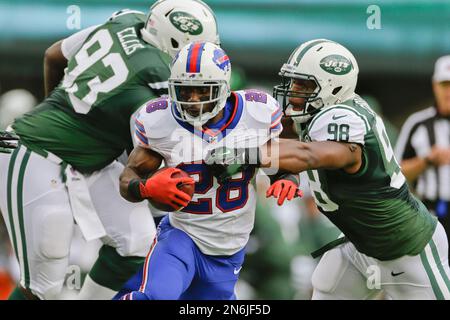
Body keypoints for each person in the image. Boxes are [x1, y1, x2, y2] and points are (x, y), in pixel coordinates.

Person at [0, 0, 220, 300]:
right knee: (43, 285)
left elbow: (54, 55)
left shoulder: (126, 21)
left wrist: (61, 107)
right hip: (37, 152)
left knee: (138, 243)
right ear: (173, 45)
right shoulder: (156, 74)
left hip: (91, 160)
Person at [217, 39, 450, 299]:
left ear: (333, 86)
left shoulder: (344, 120)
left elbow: (310, 154)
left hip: (406, 248)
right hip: (360, 245)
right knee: (327, 282)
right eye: (293, 82)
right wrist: (288, 175)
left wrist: (250, 153)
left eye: (304, 85)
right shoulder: (319, 113)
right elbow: (294, 144)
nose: (293, 92)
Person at [117, 41, 298, 300]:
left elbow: (287, 158)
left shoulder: (257, 114)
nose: (192, 100)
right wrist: (143, 187)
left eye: (201, 91)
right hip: (181, 236)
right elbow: (128, 177)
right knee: (155, 297)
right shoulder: (159, 121)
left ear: (223, 87)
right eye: (185, 90)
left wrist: (287, 177)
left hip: (229, 248)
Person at [395, 55, 450, 259]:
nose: (449, 91)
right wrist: (427, 160)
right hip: (431, 212)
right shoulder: (418, 123)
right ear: (435, 85)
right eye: (445, 84)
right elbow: (396, 171)